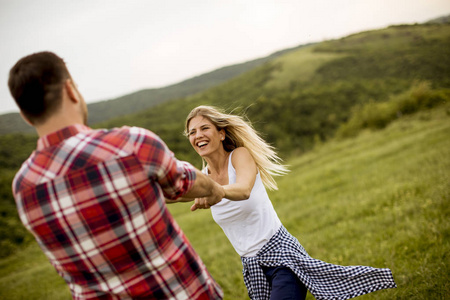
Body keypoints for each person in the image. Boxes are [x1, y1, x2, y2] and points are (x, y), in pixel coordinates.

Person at [8, 52, 225, 299]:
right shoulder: (131, 144)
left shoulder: (23, 188)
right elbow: (189, 183)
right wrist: (215, 190)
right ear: (70, 90)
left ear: (25, 116)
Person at [177, 105, 397, 300]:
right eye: (192, 132)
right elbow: (173, 192)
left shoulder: (239, 156)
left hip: (281, 255)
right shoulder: (203, 177)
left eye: (205, 128)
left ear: (222, 133)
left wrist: (217, 191)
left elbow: (243, 190)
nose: (198, 135)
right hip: (253, 267)